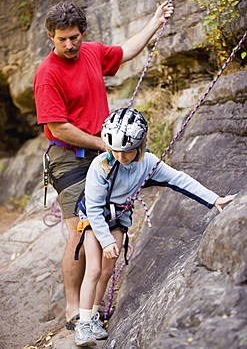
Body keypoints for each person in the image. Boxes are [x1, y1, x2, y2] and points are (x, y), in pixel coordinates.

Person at [33, 1, 174, 329]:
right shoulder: (47, 74)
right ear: (50, 37)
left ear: (83, 34)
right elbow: (58, 128)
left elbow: (125, 51)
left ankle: (91, 306)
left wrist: (155, 21)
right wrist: (105, 145)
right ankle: (72, 309)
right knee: (81, 231)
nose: (69, 45)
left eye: (75, 37)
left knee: (107, 229)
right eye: (62, 39)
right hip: (68, 158)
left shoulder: (92, 52)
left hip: (101, 155)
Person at [74, 107, 236, 346]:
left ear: (141, 144)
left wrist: (214, 199)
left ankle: (95, 316)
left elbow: (179, 180)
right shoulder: (100, 166)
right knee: (94, 270)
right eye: (115, 151)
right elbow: (95, 208)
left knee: (107, 272)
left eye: (127, 151)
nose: (120, 157)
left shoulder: (148, 163)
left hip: (118, 219)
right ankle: (83, 323)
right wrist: (106, 240)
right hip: (93, 218)